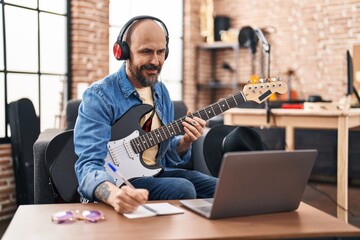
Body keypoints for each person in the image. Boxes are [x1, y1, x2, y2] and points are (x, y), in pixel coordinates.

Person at [73, 16, 218, 214]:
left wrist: (184, 142)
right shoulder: (99, 96)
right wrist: (113, 195)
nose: (155, 61)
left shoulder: (161, 91)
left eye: (161, 52)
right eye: (146, 52)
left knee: (221, 187)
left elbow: (164, 153)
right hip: (119, 180)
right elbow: (88, 165)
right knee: (183, 188)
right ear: (123, 52)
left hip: (155, 172)